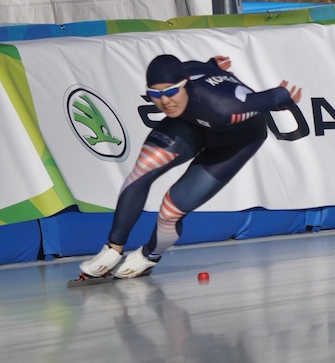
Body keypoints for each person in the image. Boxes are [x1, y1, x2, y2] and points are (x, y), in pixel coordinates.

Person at [78, 54, 302, 280]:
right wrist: (212, 65)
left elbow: (273, 97)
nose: (165, 101)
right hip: (192, 122)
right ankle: (113, 249)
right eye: (155, 94)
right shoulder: (182, 76)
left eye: (171, 92)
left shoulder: (225, 108)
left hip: (236, 139)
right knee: (142, 172)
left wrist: (284, 97)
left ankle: (149, 256)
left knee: (170, 210)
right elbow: (201, 67)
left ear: (184, 84)